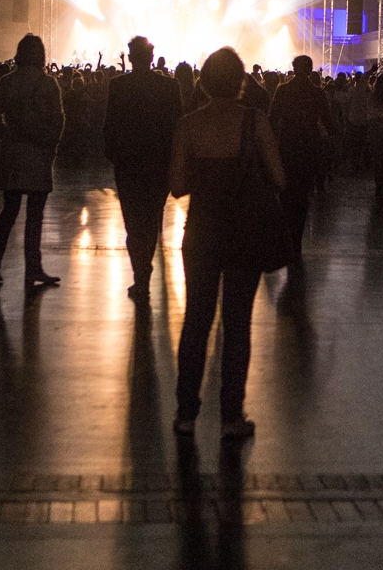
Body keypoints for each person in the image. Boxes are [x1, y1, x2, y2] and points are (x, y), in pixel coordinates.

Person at [169, 46, 285, 439]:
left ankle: (186, 413)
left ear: (202, 81)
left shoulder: (188, 125)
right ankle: (231, 416)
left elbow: (177, 186)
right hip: (245, 235)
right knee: (237, 325)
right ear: (240, 81)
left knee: (196, 322)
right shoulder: (256, 121)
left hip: (201, 232)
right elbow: (280, 179)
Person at [103, 36, 183, 301]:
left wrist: (113, 154)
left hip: (128, 164)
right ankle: (143, 273)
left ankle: (141, 275)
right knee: (151, 219)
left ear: (130, 56)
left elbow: (110, 125)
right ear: (151, 56)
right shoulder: (170, 87)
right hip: (158, 164)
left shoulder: (118, 86)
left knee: (133, 223)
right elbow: (177, 126)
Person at [0, 35, 65, 287]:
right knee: (34, 216)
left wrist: (6, 136)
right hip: (39, 155)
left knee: (8, 211)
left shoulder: (7, 82)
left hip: (12, 154)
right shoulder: (48, 84)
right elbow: (58, 120)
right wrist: (51, 145)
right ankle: (33, 268)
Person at [268, 54, 335, 256]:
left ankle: (286, 236)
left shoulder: (283, 91)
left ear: (294, 68)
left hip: (287, 146)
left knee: (286, 193)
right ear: (310, 69)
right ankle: (296, 240)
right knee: (302, 194)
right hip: (309, 147)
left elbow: (272, 119)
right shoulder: (318, 93)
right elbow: (328, 121)